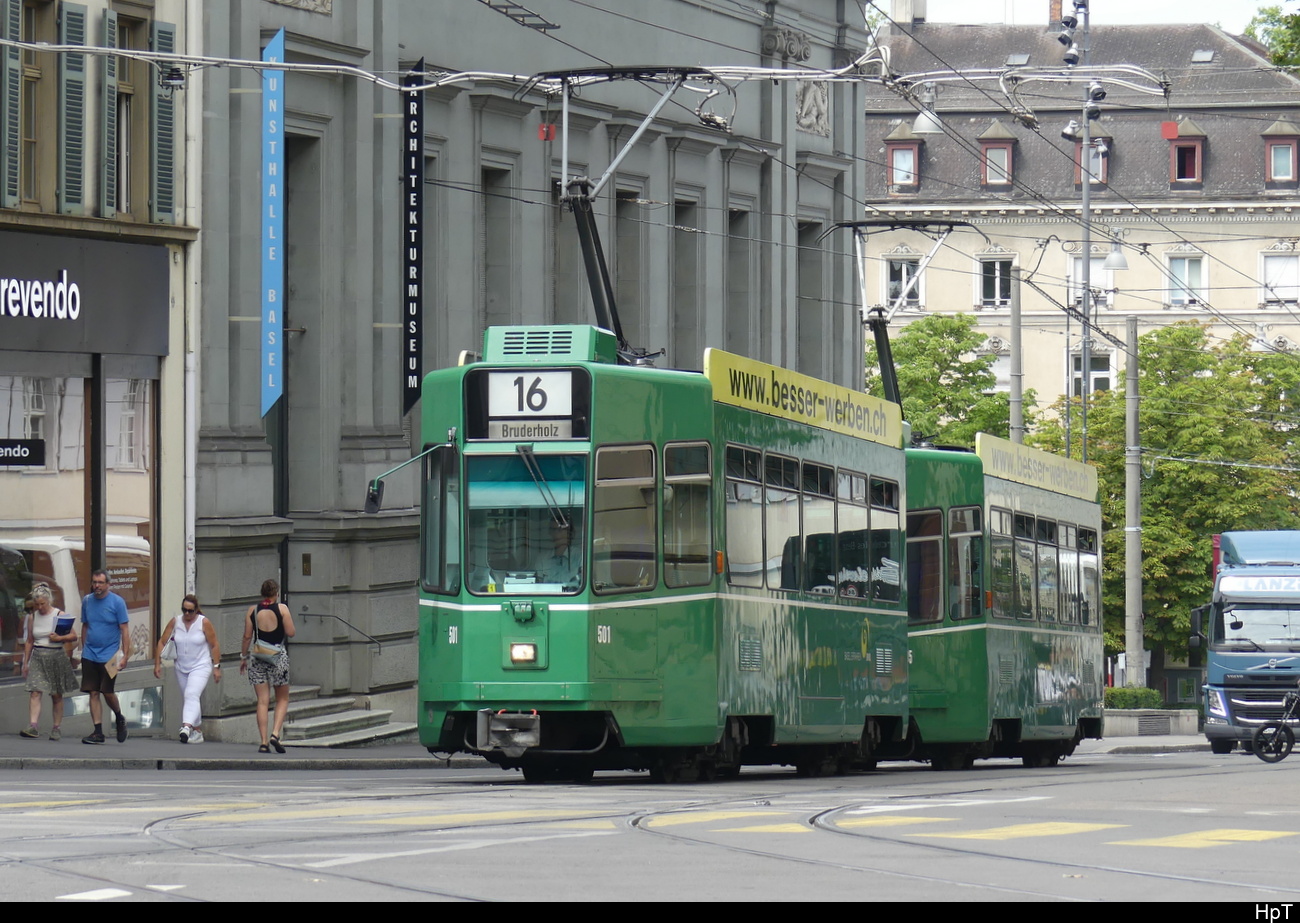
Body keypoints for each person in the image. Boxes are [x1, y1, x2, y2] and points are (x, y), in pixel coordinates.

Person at [154, 594, 221, 744]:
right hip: (181, 667)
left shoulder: (204, 622)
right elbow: (162, 642)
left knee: (191, 693)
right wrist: (157, 664)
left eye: (190, 611)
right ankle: (197, 731)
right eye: (184, 610)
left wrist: (216, 667)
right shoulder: (175, 622)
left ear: (196, 610)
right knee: (191, 697)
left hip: (201, 665)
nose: (186, 614)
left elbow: (214, 645)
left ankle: (186, 727)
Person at [240, 578, 295, 754]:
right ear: (276, 593)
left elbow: (247, 636)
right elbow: (291, 632)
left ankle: (263, 742)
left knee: (262, 701)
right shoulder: (282, 609)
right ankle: (275, 734)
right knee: (283, 698)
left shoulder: (253, 610)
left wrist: (243, 657)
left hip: (257, 657)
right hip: (278, 656)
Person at [79, 569, 131, 745]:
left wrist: (124, 656)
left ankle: (119, 717)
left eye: (100, 583)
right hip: (90, 653)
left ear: (108, 584)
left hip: (111, 655)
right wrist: (82, 649)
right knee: (93, 692)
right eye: (94, 582)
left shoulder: (117, 602)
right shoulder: (87, 601)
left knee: (107, 691)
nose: (97, 586)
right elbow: (85, 625)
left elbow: (124, 629)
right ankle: (98, 732)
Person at [19, 585, 78, 739]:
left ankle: (56, 727)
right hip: (38, 654)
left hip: (55, 655)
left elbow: (73, 636)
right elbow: (30, 640)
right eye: (37, 604)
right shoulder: (33, 616)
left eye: (42, 604)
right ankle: (33, 726)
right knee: (35, 691)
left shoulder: (59, 614)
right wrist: (25, 662)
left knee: (56, 694)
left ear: (48, 601)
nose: (40, 607)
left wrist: (60, 638)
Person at [536, 520, 581, 588]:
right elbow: (537, 585)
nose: (556, 534)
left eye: (560, 530)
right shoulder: (542, 558)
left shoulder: (580, 556)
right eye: (553, 530)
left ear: (569, 533)